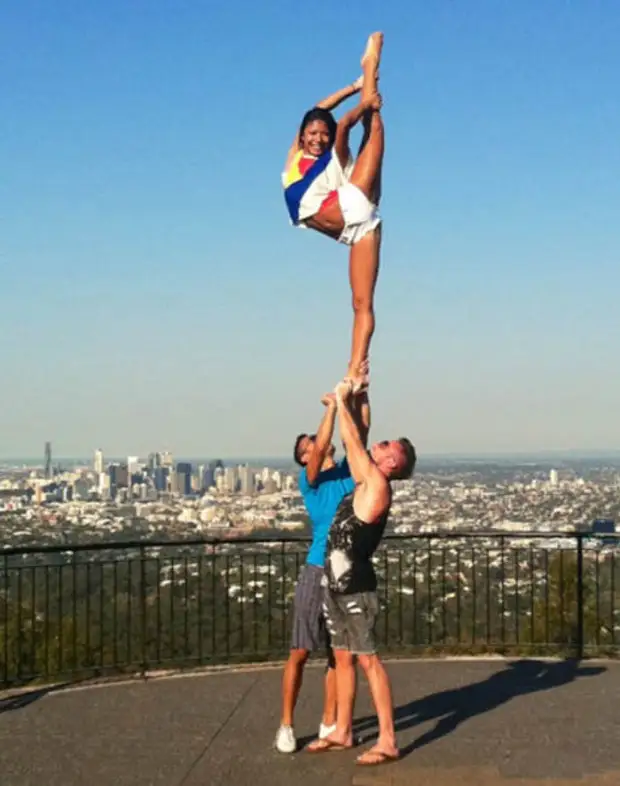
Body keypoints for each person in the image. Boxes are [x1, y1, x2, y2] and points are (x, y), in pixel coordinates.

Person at [306, 376, 416, 767]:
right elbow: (358, 436)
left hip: (356, 590)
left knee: (368, 659)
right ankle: (343, 729)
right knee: (343, 657)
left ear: (391, 464)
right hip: (336, 586)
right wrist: (358, 396)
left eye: (387, 447)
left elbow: (353, 443)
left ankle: (388, 739)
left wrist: (340, 398)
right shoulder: (367, 479)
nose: (380, 444)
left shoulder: (377, 485)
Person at [281, 32, 385, 393]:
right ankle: (357, 373)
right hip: (356, 228)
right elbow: (320, 109)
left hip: (353, 204)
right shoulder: (296, 158)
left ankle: (372, 64)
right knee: (359, 303)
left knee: (369, 122)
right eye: (311, 132)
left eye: (320, 134)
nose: (317, 138)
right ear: (302, 134)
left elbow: (339, 124)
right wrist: (355, 87)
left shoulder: (330, 156)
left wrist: (366, 99)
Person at [274, 372, 371, 754]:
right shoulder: (309, 480)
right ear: (303, 456)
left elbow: (360, 432)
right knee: (300, 651)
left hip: (343, 572)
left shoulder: (348, 474)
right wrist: (333, 407)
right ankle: (286, 723)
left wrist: (359, 394)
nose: (313, 444)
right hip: (316, 570)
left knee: (337, 653)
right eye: (307, 444)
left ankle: (329, 720)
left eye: (312, 440)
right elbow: (321, 449)